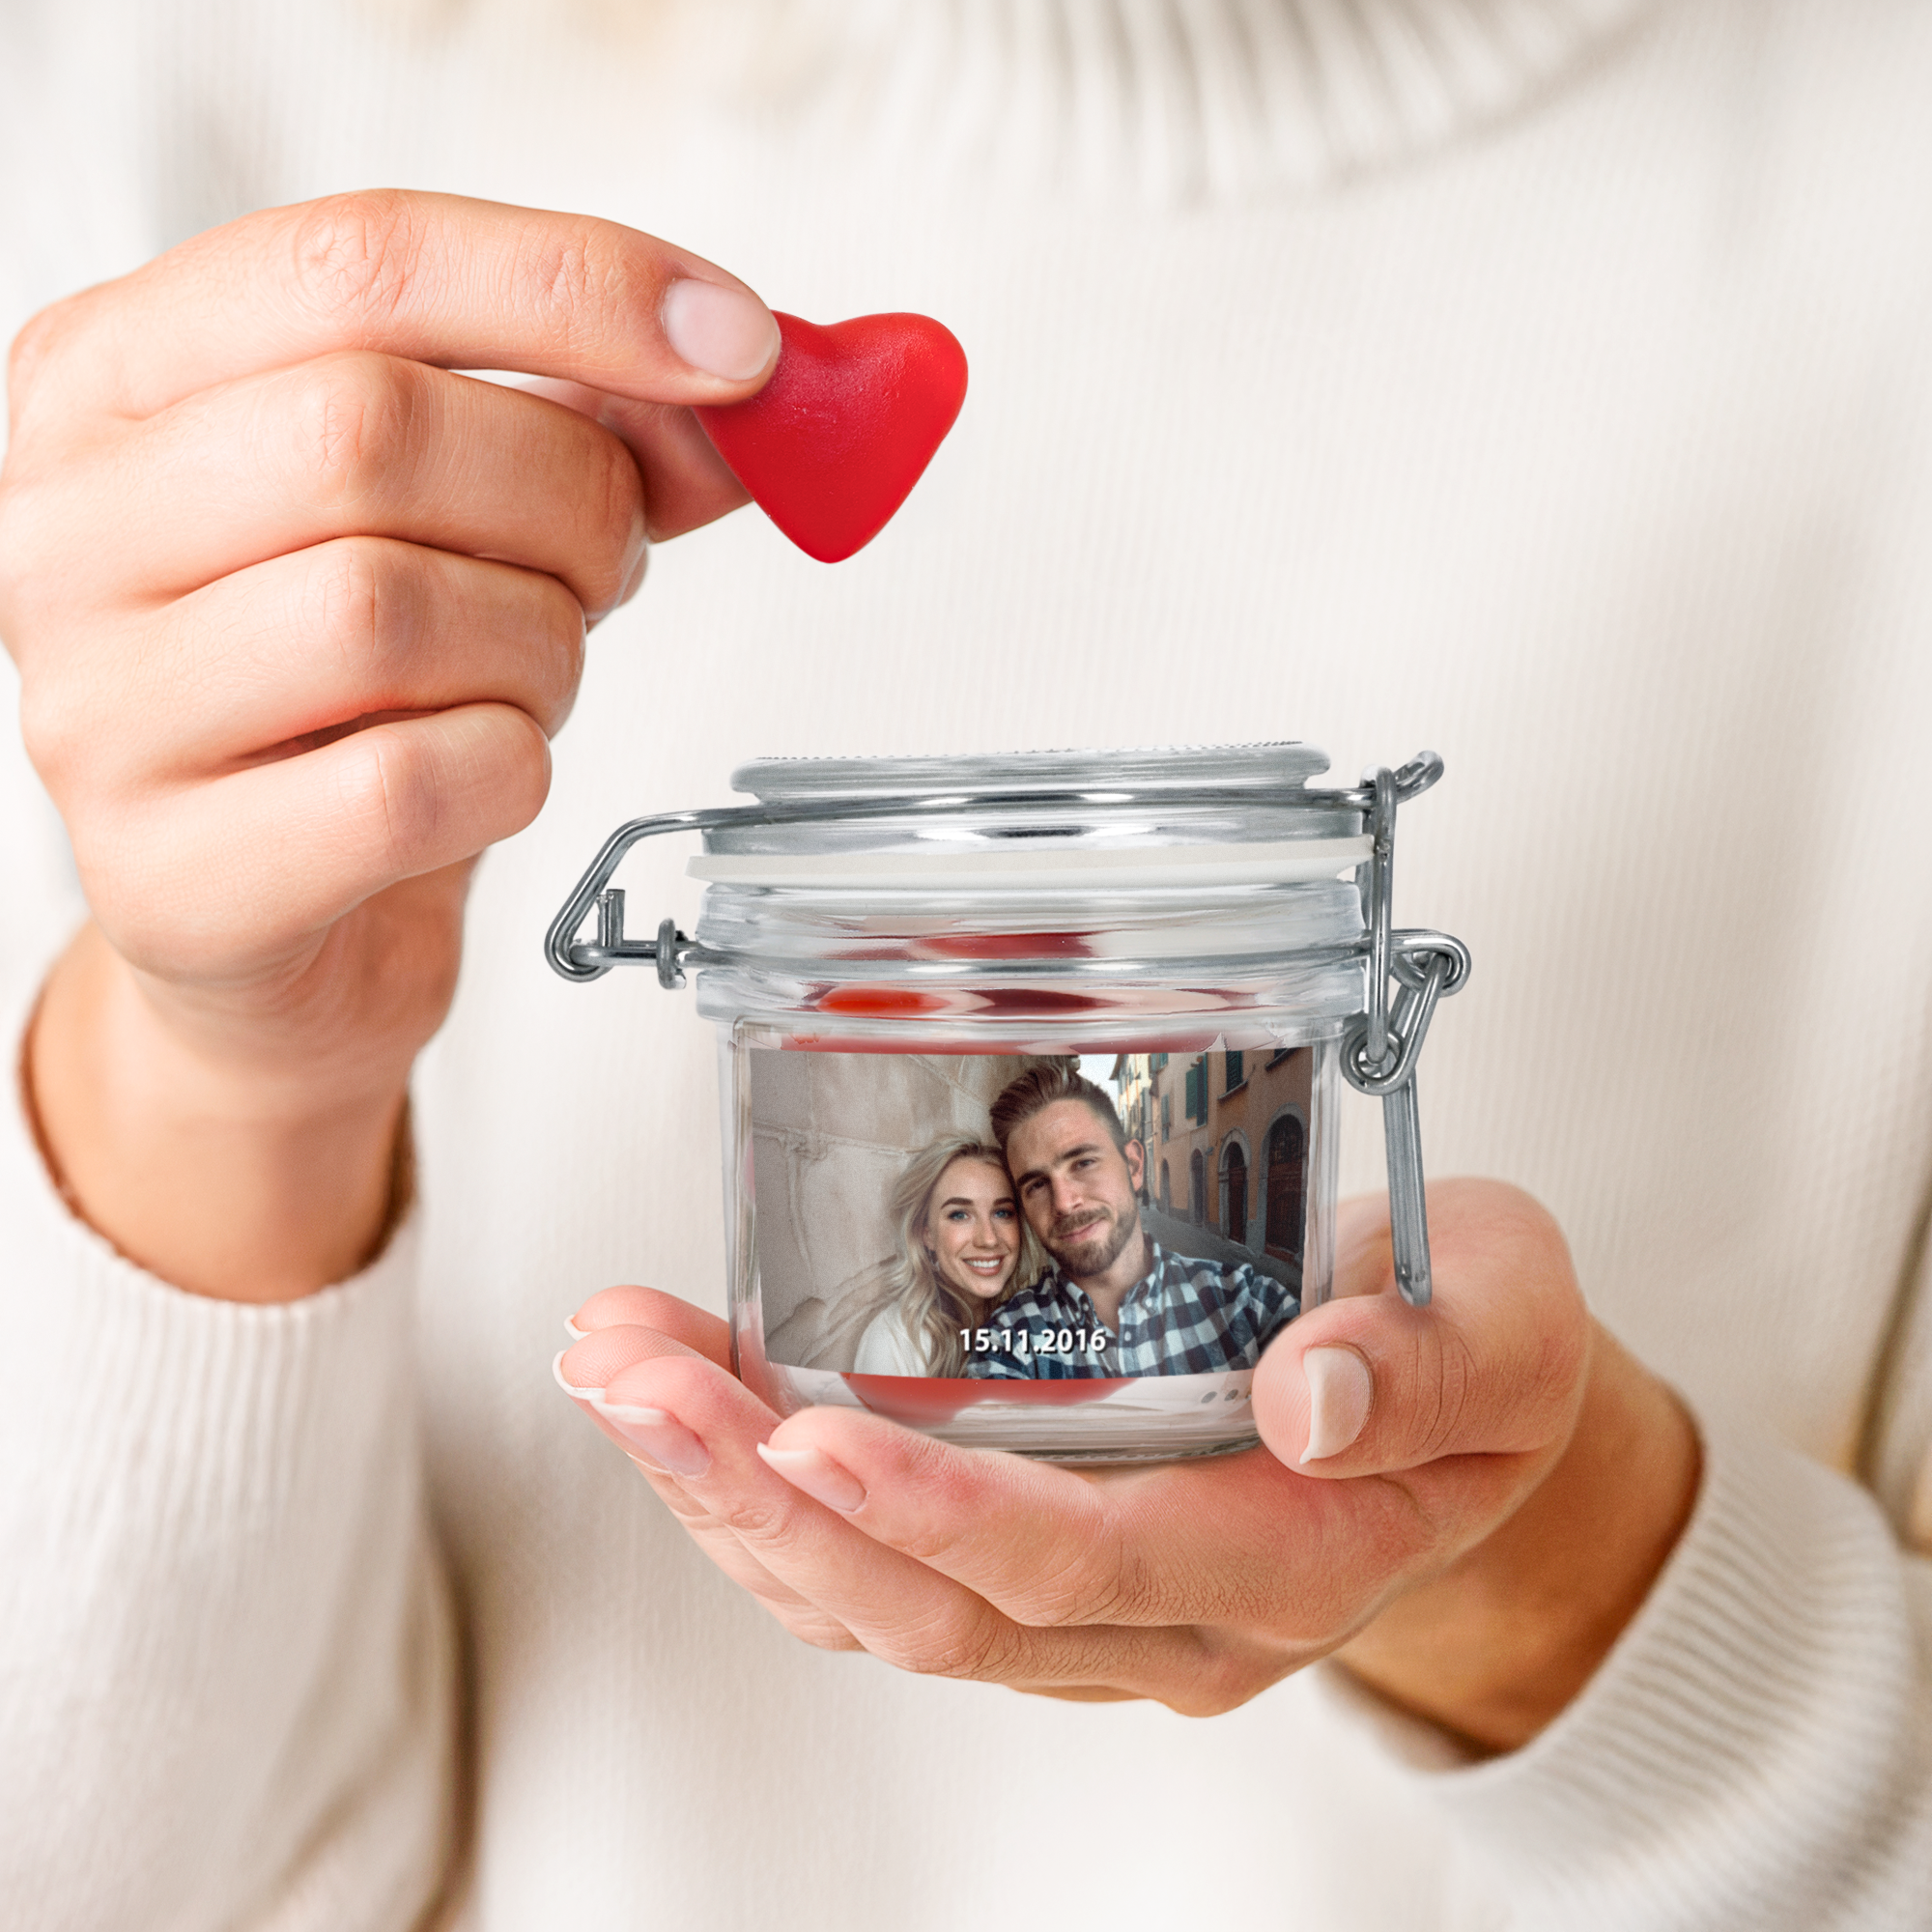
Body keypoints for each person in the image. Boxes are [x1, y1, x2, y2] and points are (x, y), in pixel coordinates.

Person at [3, 6, 1930, 1929]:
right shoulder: (188, 120)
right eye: (1018, 1188)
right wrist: (225, 1076)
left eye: (1067, 1179)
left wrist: (1553, 1587)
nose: (1044, 1217)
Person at [961, 1063, 1295, 1378]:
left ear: (1134, 1167)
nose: (1064, 1203)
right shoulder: (1010, 1341)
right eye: (1036, 1185)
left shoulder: (1249, 1304)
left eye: (1083, 1163)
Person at [851, 1134, 1038, 1376]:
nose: (989, 1239)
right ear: (926, 1233)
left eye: (1002, 1213)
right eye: (959, 1215)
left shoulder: (1041, 1316)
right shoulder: (893, 1340)